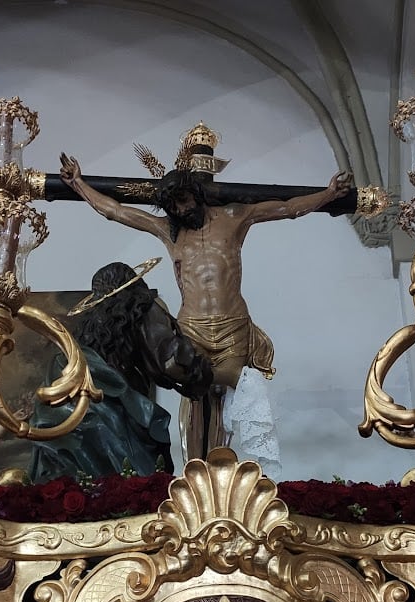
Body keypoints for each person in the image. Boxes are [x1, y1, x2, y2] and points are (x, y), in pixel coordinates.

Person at [58, 148, 351, 458]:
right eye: (172, 206)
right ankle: (193, 469)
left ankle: (231, 469)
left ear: (196, 193)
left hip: (232, 326)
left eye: (183, 200)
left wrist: (329, 194)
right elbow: (116, 211)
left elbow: (288, 208)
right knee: (193, 405)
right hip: (192, 328)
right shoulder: (168, 231)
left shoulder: (235, 217)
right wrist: (78, 183)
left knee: (229, 403)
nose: (180, 210)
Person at [28, 262, 213, 481]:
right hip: (102, 414)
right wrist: (201, 371)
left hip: (83, 412)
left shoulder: (83, 340)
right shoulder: (146, 309)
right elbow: (169, 358)